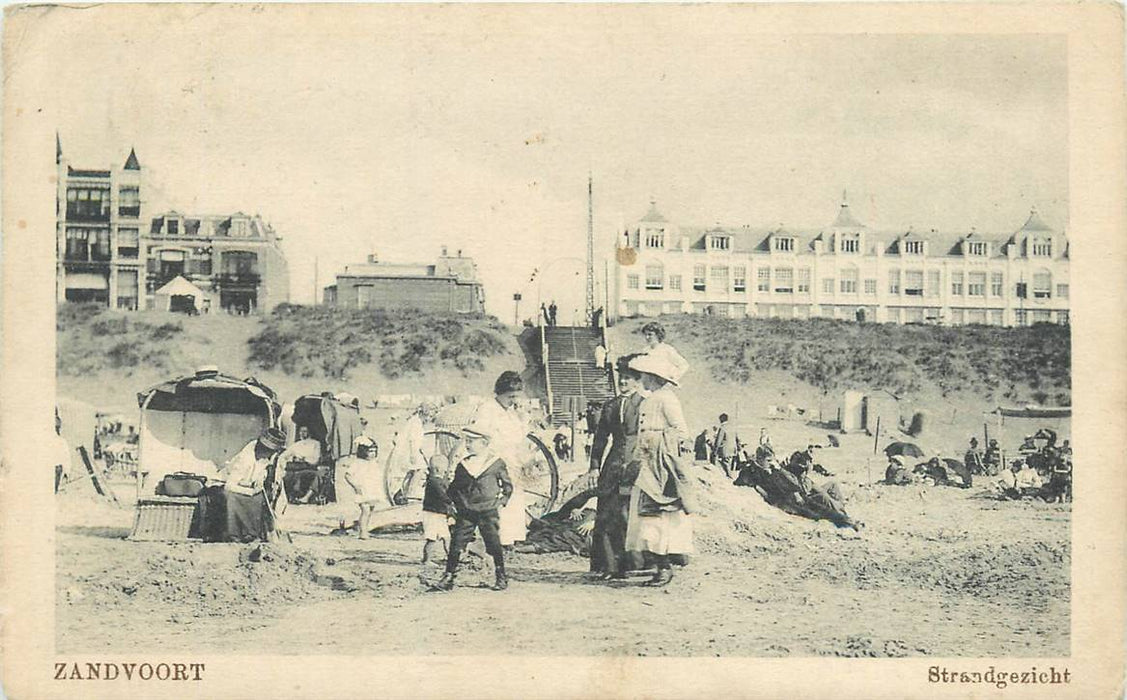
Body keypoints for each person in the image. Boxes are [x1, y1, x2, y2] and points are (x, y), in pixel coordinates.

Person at [624, 353, 693, 587]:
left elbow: (681, 431)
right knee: (645, 515)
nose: (640, 378)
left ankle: (665, 567)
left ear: (652, 377)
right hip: (645, 460)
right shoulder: (649, 399)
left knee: (660, 513)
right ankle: (654, 563)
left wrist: (665, 452)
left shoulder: (667, 399)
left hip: (660, 464)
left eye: (644, 375)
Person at [432, 426, 514, 592]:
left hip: (488, 511)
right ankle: (448, 576)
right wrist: (455, 505)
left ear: (484, 443)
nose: (467, 444)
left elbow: (507, 486)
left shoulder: (496, 463)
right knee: (457, 544)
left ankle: (501, 575)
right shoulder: (464, 465)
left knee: (493, 544)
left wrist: (501, 501)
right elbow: (454, 488)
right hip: (467, 512)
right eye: (467, 441)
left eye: (472, 441)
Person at [587, 354, 645, 579]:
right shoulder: (610, 406)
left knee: (628, 515)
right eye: (621, 377)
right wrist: (594, 466)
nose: (623, 382)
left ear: (636, 380)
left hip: (636, 463)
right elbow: (600, 438)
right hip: (612, 464)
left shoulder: (643, 404)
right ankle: (609, 567)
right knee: (606, 514)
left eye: (628, 378)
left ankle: (634, 566)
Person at [472, 371, 530, 546]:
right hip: (493, 462)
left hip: (512, 461)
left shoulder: (511, 412)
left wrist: (523, 419)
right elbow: (479, 437)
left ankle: (510, 538)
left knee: (514, 498)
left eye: (516, 396)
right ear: (500, 392)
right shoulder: (487, 409)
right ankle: (494, 539)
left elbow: (520, 437)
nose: (514, 400)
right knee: (498, 499)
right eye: (511, 396)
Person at [200, 427, 287, 543]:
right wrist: (250, 492)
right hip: (221, 485)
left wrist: (257, 485)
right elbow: (229, 486)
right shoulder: (245, 459)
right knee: (233, 497)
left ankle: (251, 533)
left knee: (259, 498)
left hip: (243, 486)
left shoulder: (265, 459)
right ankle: (234, 534)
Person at [337, 437, 385, 539]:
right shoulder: (358, 463)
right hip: (363, 490)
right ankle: (363, 533)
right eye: (370, 451)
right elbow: (347, 475)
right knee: (365, 510)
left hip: (372, 490)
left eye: (374, 451)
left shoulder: (374, 462)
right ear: (363, 452)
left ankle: (365, 529)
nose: (372, 454)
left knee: (370, 511)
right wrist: (355, 485)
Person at [421, 454, 453, 564]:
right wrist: (452, 500)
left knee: (446, 537)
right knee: (432, 538)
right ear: (438, 469)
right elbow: (443, 495)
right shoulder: (434, 482)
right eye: (445, 470)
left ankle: (451, 558)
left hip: (440, 514)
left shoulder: (438, 481)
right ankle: (427, 560)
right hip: (432, 514)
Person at [280, 425, 324, 504]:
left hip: (309, 467)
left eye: (304, 431)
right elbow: (283, 455)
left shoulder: (315, 443)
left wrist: (303, 459)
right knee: (288, 474)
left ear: (309, 432)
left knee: (318, 474)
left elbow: (315, 460)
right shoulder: (296, 445)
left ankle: (305, 498)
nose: (302, 433)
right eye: (300, 431)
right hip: (296, 467)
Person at [713, 413, 736, 479]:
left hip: (725, 449)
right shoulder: (732, 427)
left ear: (721, 420)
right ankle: (730, 475)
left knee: (724, 462)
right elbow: (736, 438)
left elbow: (718, 441)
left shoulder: (722, 428)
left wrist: (715, 450)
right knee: (729, 462)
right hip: (733, 448)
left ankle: (729, 476)